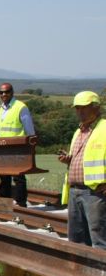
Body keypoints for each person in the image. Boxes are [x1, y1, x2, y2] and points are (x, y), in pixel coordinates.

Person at [59, 91, 106, 249]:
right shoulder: (78, 132)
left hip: (95, 192)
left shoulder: (104, 129)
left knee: (98, 238)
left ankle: (101, 273)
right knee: (76, 238)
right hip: (75, 190)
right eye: (77, 108)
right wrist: (69, 160)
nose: (80, 111)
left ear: (96, 107)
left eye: (84, 107)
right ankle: (80, 273)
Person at [0, 83, 35, 206]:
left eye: (6, 92)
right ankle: (4, 201)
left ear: (12, 92)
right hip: (3, 147)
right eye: (1, 92)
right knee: (4, 176)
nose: (4, 94)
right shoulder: (1, 109)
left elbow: (29, 129)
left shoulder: (20, 107)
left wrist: (31, 146)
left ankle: (20, 202)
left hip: (18, 148)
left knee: (18, 176)